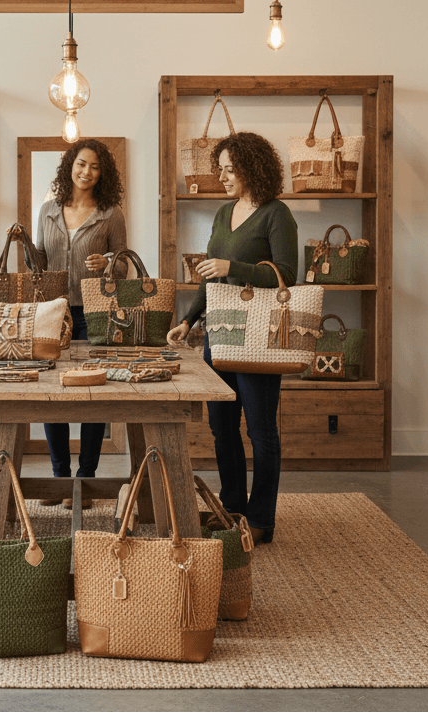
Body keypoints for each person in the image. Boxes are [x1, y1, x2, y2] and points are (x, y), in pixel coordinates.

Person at [166, 132, 297, 545]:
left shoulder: (278, 214)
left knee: (260, 432)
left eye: (228, 169)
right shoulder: (223, 213)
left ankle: (261, 519)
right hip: (219, 336)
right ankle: (232, 508)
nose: (221, 176)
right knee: (223, 429)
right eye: (218, 168)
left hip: (258, 338)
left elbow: (287, 276)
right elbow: (210, 276)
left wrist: (232, 266)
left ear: (251, 168)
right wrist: (188, 321)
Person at [32, 138, 127, 509]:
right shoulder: (48, 210)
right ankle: (59, 479)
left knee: (92, 394)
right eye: (81, 164)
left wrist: (108, 264)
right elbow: (39, 259)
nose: (87, 172)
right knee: (50, 393)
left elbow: (123, 264)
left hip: (94, 312)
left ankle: (85, 480)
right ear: (70, 164)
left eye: (95, 167)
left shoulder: (111, 213)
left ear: (103, 174)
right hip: (52, 310)